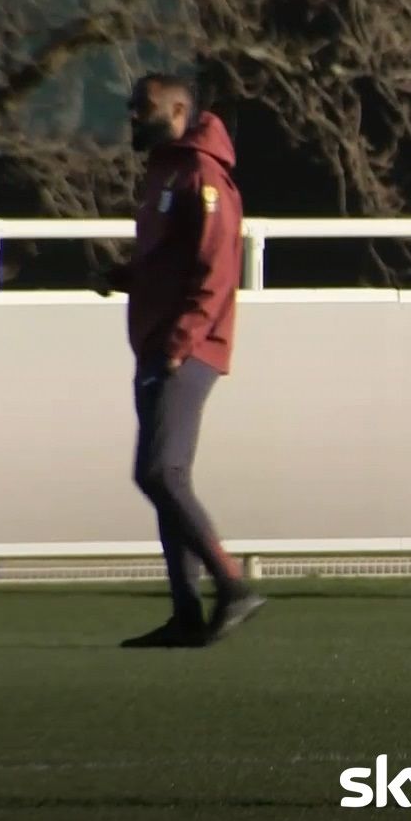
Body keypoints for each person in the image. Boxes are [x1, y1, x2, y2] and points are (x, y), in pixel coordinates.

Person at [98, 74, 264, 648]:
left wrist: (180, 343)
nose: (132, 117)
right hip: (157, 344)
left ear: (177, 110)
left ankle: (233, 585)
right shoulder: (165, 172)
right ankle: (186, 611)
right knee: (167, 477)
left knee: (159, 472)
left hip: (185, 350)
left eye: (141, 108)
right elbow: (168, 259)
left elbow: (216, 273)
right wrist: (126, 276)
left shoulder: (204, 177)